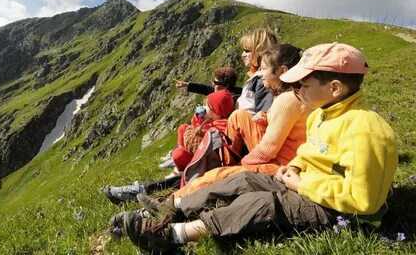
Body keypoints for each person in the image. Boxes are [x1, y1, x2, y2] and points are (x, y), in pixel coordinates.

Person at [112, 42, 398, 253]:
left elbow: (365, 201)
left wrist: (301, 184)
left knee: (264, 203)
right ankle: (171, 209)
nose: (296, 91)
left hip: (341, 212)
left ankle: (173, 235)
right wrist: (296, 168)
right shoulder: (323, 114)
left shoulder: (365, 130)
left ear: (335, 88)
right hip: (307, 185)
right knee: (243, 178)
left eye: (302, 85)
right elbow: (310, 153)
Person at [169, 44, 309, 198]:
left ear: (282, 71)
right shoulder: (291, 96)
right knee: (238, 115)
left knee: (219, 175)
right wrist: (265, 118)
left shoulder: (286, 100)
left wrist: (243, 164)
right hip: (284, 158)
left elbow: (268, 150)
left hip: (280, 165)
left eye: (264, 69)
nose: (260, 74)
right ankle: (226, 160)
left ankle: (175, 201)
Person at [102, 89, 234, 204]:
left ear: (217, 110)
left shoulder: (218, 128)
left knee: (179, 172)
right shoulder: (216, 123)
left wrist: (195, 126)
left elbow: (192, 141)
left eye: (209, 106)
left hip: (206, 171)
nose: (206, 108)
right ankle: (138, 191)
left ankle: (138, 193)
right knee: (177, 179)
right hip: (203, 169)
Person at [175, 28, 277, 114]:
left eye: (247, 51)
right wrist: (189, 86)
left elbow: (262, 117)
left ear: (259, 51)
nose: (242, 55)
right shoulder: (255, 79)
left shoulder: (263, 81)